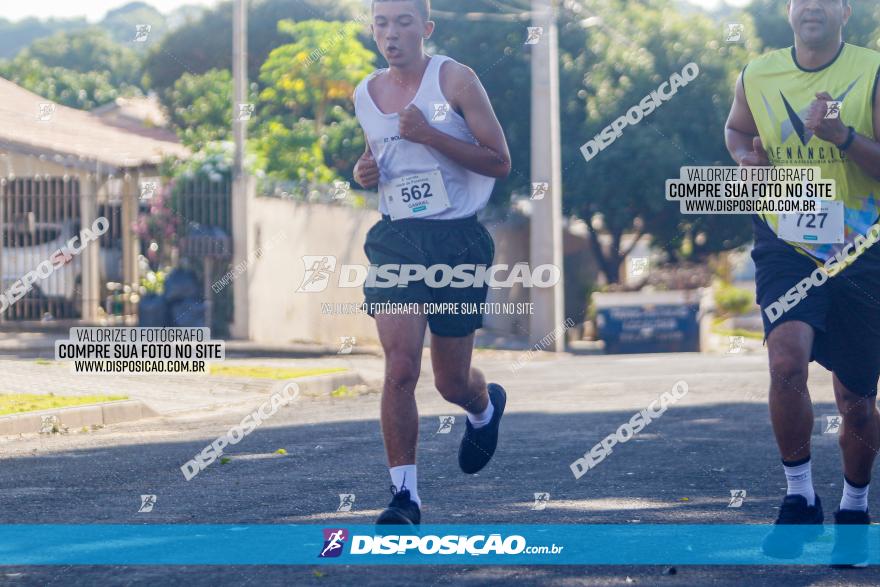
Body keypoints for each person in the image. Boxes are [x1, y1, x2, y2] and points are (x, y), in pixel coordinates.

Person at [725, 0, 880, 566]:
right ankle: (798, 498)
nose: (811, 4)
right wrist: (746, 159)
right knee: (785, 364)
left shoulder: (872, 69)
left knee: (857, 400)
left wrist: (843, 137)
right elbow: (738, 130)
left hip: (862, 249)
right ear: (789, 10)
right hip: (786, 239)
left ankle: (855, 507)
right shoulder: (757, 72)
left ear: (845, 10)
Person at [352, 0, 512, 526]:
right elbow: (382, 159)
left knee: (450, 382)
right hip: (397, 239)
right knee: (400, 367)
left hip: (459, 241)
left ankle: (482, 408)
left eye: (402, 22)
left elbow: (499, 161)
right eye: (381, 23)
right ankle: (405, 498)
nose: (391, 34)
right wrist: (366, 172)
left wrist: (431, 135)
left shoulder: (456, 80)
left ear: (426, 28)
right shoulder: (365, 94)